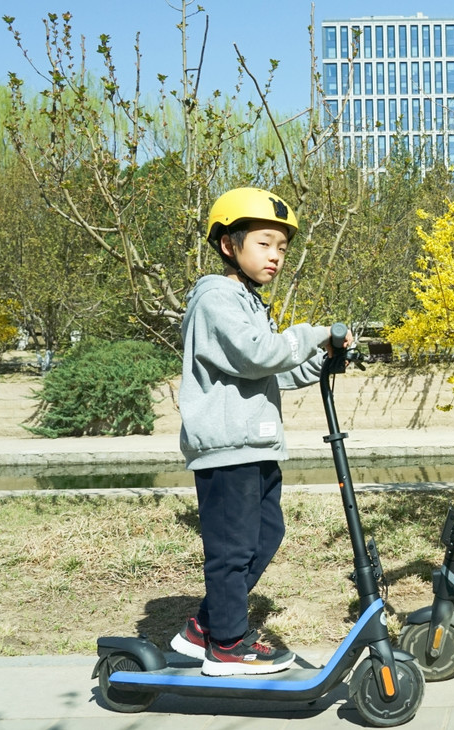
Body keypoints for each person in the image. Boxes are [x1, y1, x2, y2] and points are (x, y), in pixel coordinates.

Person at [172, 186, 352, 677]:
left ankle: (203, 627)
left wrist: (323, 360)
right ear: (230, 245)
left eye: (282, 249)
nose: (275, 257)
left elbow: (269, 371)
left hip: (252, 444)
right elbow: (259, 353)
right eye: (264, 244)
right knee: (231, 551)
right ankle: (228, 645)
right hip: (226, 449)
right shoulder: (215, 296)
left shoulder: (247, 302)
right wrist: (311, 333)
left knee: (266, 535)